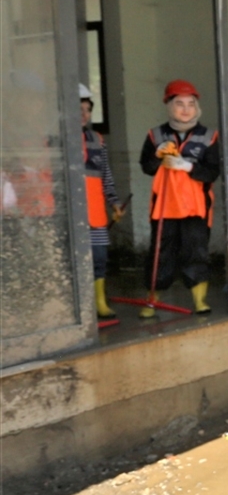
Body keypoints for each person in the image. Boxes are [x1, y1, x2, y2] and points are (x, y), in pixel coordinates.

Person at [138, 79, 221, 318]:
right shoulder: (155, 135)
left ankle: (200, 300)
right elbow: (147, 167)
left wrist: (187, 166)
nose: (185, 109)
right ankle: (153, 299)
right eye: (179, 104)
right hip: (164, 207)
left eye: (191, 104)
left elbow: (212, 171)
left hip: (196, 207)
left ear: (197, 108)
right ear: (169, 106)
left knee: (196, 251)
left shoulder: (209, 136)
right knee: (160, 252)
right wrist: (157, 155)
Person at [80, 84, 124, 319]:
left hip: (96, 212)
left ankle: (99, 302)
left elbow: (106, 176)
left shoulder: (97, 139)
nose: (83, 115)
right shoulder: (55, 140)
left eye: (87, 110)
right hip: (72, 214)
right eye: (78, 109)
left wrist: (114, 203)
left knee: (99, 258)